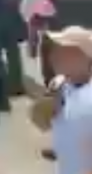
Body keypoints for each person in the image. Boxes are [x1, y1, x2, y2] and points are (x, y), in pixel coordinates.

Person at [29, 26, 92, 174]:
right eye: (55, 51)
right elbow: (42, 123)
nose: (55, 57)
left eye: (66, 53)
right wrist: (47, 105)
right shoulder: (59, 84)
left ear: (86, 57)